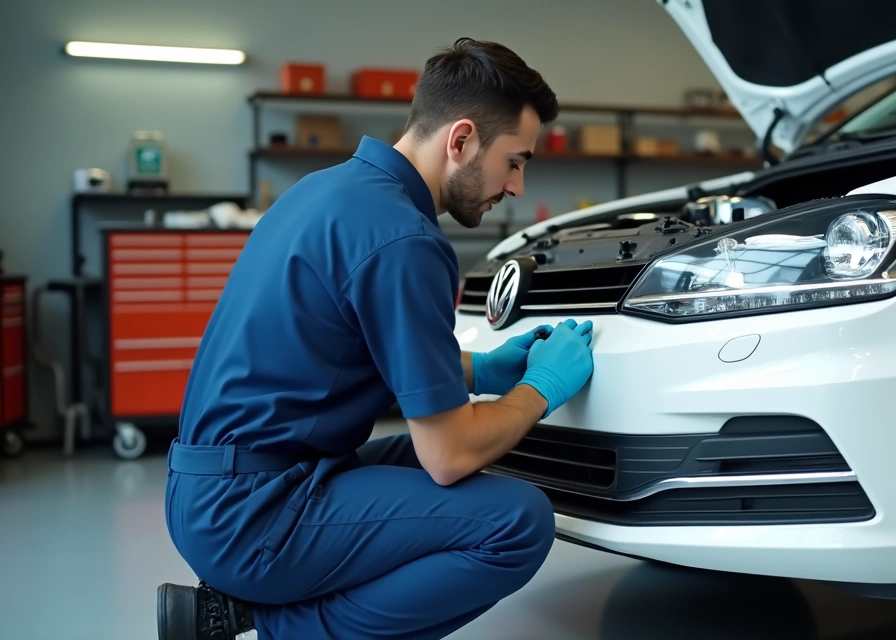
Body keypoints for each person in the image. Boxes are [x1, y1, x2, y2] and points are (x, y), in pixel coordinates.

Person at [156, 38, 595, 640]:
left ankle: (237, 613)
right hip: (249, 515)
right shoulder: (405, 241)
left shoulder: (328, 191)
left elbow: (352, 345)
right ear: (461, 140)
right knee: (516, 522)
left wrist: (485, 370)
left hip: (214, 488)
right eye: (514, 161)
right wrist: (539, 389)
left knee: (460, 456)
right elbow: (450, 456)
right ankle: (279, 625)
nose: (515, 186)